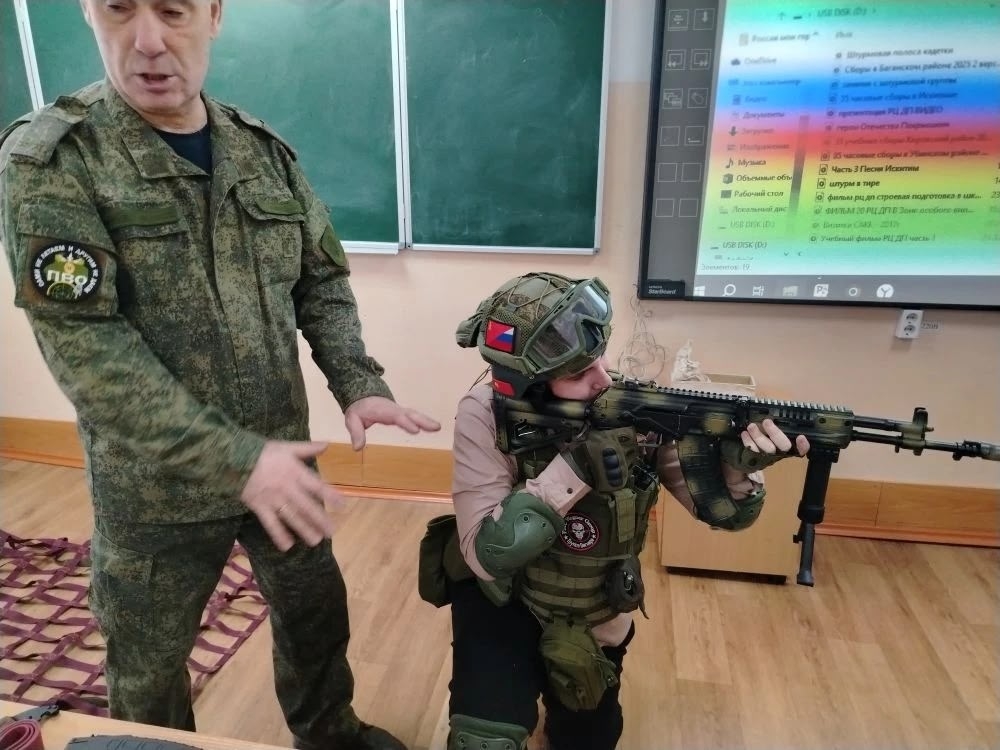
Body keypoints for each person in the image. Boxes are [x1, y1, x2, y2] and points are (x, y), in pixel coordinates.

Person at [0, 2, 439, 748]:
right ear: (89, 13)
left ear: (213, 15)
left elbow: (320, 278)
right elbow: (86, 349)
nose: (147, 40)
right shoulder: (55, 160)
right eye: (119, 9)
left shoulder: (259, 150)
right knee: (148, 663)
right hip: (155, 489)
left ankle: (329, 734)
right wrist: (238, 461)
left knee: (314, 617)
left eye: (173, 10)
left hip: (282, 459)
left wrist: (358, 380)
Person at [424, 271, 809, 750]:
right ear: (528, 386)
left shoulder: (634, 407)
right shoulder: (485, 411)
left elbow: (724, 515)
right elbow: (487, 555)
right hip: (505, 601)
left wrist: (737, 468)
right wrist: (575, 468)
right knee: (484, 741)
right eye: (577, 374)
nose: (603, 379)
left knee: (587, 740)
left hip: (591, 610)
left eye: (600, 357)